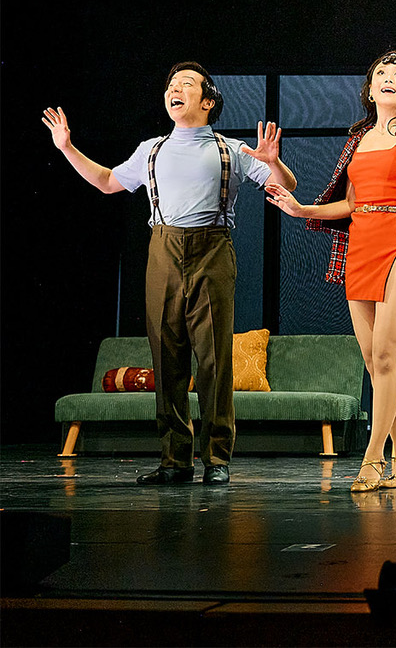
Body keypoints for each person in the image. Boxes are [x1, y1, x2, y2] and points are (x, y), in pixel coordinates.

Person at [42, 62, 297, 485]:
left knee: (214, 359)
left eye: (186, 84)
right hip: (162, 249)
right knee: (167, 358)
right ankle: (174, 460)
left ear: (208, 100)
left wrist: (273, 162)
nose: (174, 89)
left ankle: (217, 459)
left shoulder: (231, 149)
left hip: (212, 249)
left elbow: (283, 186)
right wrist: (67, 147)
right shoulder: (151, 149)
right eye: (171, 85)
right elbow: (107, 182)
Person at [265, 50, 396, 493]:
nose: (389, 79)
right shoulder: (357, 139)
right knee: (374, 361)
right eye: (381, 74)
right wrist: (301, 209)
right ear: (369, 89)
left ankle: (373, 458)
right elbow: (350, 203)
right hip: (362, 244)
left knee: (388, 357)